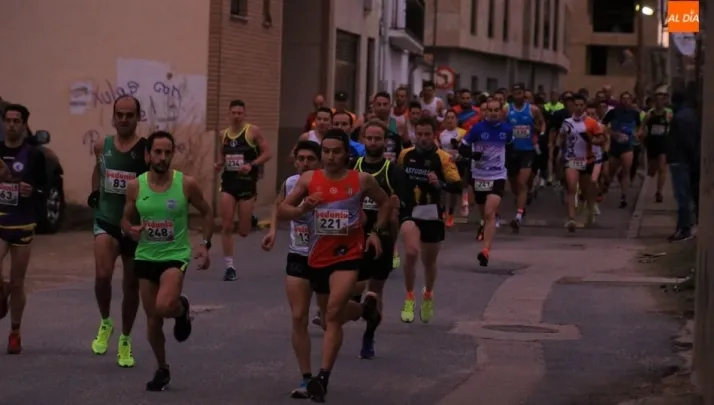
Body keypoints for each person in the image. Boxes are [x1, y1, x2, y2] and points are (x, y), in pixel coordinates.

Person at [278, 129, 390, 402]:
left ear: (347, 153)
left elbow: (385, 203)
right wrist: (303, 208)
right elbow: (283, 210)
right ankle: (364, 309)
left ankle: (322, 378)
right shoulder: (308, 180)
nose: (330, 156)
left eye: (336, 151)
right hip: (312, 255)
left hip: (346, 255)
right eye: (326, 151)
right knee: (311, 315)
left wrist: (376, 232)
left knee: (332, 313)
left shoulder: (361, 180)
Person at [121, 131, 213, 391]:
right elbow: (125, 219)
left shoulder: (186, 184)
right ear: (148, 155)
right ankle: (162, 369)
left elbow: (207, 212)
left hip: (174, 255)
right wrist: (130, 229)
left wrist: (205, 245)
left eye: (167, 152)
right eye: (158, 152)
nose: (162, 157)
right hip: (145, 255)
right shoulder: (135, 186)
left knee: (163, 305)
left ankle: (181, 309)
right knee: (153, 319)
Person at [88, 95, 148, 366]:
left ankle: (125, 338)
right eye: (119, 114)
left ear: (138, 117)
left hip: (135, 227)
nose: (124, 119)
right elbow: (98, 171)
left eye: (129, 115)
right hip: (107, 219)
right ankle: (105, 321)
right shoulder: (102, 145)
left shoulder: (146, 151)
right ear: (113, 116)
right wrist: (94, 193)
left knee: (131, 285)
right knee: (102, 276)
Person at [261, 140, 322, 398]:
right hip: (298, 254)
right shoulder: (290, 183)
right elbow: (279, 205)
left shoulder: (329, 183)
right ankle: (307, 378)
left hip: (326, 258)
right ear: (295, 161)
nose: (305, 163)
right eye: (301, 159)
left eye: (311, 159)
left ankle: (363, 310)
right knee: (298, 316)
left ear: (319, 162)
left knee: (333, 316)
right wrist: (273, 231)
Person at [353, 120, 413, 359]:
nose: (373, 142)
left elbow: (404, 205)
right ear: (363, 140)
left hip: (382, 238)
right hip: (355, 236)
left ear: (385, 142)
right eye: (369, 138)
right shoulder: (354, 166)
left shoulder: (394, 171)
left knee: (375, 290)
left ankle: (369, 336)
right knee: (353, 288)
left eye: (378, 138)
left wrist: (396, 207)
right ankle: (353, 308)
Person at [397, 117, 461, 323]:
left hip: (432, 213)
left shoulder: (443, 158)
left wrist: (440, 183)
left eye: (427, 134)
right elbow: (398, 178)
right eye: (419, 134)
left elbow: (457, 186)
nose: (423, 138)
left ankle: (428, 294)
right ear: (414, 134)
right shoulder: (405, 155)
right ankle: (409, 297)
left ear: (434, 135)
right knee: (411, 252)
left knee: (429, 261)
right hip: (409, 212)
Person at [0, 103, 47, 354]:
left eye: (16, 121)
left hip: (23, 223)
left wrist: (33, 191)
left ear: (24, 124)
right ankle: (2, 290)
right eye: (7, 120)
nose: (11, 125)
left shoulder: (35, 154)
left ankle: (15, 332)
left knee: (18, 283)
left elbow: (45, 190)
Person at [215, 100, 272, 281]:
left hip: (247, 183)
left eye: (240, 113)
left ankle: (250, 218)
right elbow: (221, 154)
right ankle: (229, 266)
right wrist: (219, 164)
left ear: (244, 114)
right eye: (234, 113)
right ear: (229, 114)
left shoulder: (252, 131)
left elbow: (267, 153)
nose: (237, 116)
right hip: (229, 184)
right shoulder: (223, 134)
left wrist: (251, 164)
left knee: (244, 231)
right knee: (226, 225)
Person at [459, 100, 512, 266]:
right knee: (483, 213)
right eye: (491, 110)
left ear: (501, 112)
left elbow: (510, 147)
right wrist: (472, 155)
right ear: (485, 112)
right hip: (479, 175)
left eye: (497, 110)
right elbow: (462, 148)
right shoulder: (477, 129)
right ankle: (485, 226)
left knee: (490, 212)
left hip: (497, 175)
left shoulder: (507, 129)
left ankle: (485, 251)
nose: (494, 113)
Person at [558, 94, 606, 231]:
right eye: (576, 105)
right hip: (571, 160)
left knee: (586, 190)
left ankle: (590, 211)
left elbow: (601, 140)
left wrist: (592, 140)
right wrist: (558, 151)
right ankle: (571, 219)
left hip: (587, 160)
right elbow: (561, 137)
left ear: (584, 106)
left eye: (581, 105)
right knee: (572, 188)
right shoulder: (566, 122)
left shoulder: (591, 122)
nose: (579, 108)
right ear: (572, 106)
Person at [504, 83, 545, 232]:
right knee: (513, 183)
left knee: (522, 183)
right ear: (512, 94)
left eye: (520, 92)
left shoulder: (533, 109)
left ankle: (518, 216)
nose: (518, 95)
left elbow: (542, 123)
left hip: (527, 150)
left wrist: (541, 133)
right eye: (515, 93)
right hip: (511, 150)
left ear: (524, 94)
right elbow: (500, 125)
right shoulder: (506, 109)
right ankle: (522, 202)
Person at [665, 89, 700, 242]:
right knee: (687, 195)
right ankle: (685, 226)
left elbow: (686, 141)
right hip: (687, 160)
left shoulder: (680, 117)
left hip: (680, 160)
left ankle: (684, 228)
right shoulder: (691, 114)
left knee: (682, 196)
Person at [602, 92, 641, 208]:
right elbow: (603, 126)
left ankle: (624, 196)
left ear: (631, 101)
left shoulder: (635, 114)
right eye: (623, 99)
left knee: (626, 170)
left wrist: (637, 134)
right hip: (614, 147)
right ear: (620, 100)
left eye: (628, 99)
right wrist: (613, 134)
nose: (625, 101)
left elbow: (640, 127)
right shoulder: (613, 112)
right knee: (610, 173)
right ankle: (605, 187)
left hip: (628, 146)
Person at [638, 92, 673, 203]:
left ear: (664, 101)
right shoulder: (650, 113)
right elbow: (642, 126)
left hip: (663, 142)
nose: (659, 102)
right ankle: (652, 171)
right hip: (652, 143)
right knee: (652, 170)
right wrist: (640, 133)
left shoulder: (668, 113)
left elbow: (673, 126)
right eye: (656, 100)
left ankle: (659, 192)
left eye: (661, 100)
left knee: (662, 168)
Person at [438, 110, 467, 226]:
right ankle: (442, 211)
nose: (450, 120)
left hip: (457, 164)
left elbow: (465, 149)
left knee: (454, 190)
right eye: (448, 118)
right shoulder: (442, 134)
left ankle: (450, 214)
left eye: (452, 117)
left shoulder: (463, 132)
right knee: (444, 189)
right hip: (445, 164)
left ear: (456, 120)